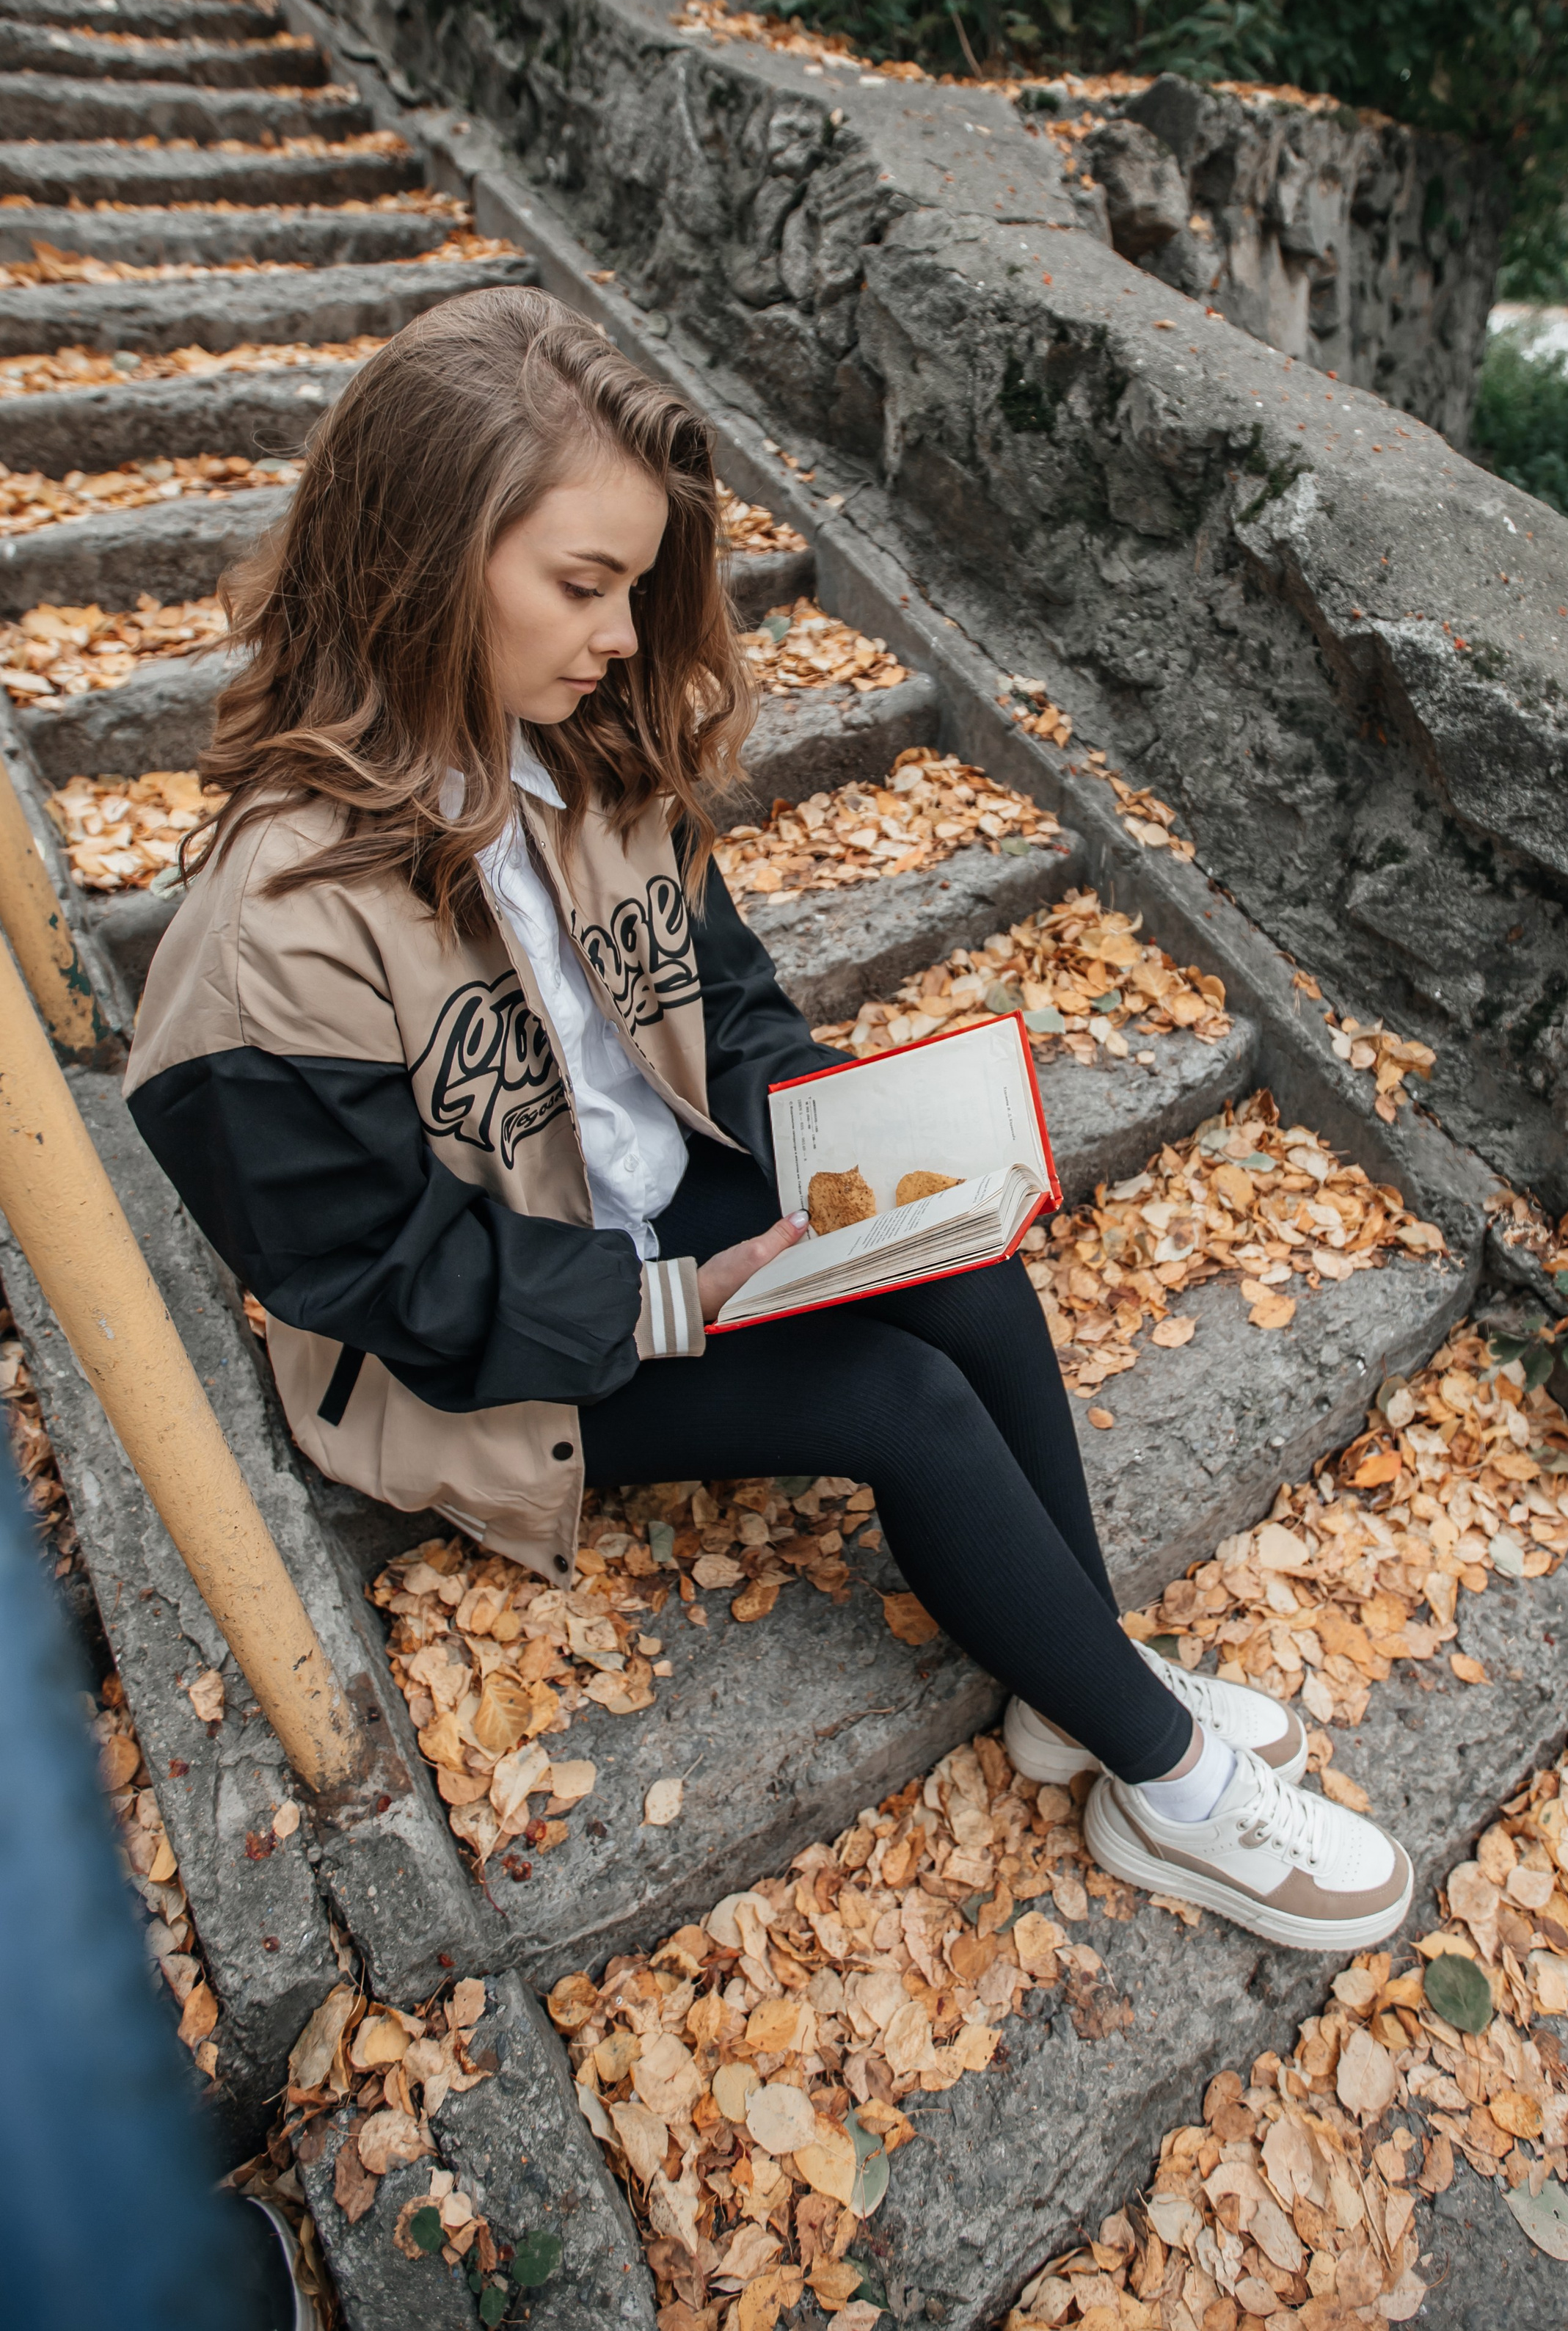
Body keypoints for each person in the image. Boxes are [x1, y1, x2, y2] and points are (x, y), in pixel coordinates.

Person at [123, 287, 1412, 1946]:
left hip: (666, 1205)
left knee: (969, 1278)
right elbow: (379, 1283)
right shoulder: (265, 938)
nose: (615, 636)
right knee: (898, 1403)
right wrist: (671, 1302)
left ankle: (1066, 1673)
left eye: (634, 590)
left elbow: (724, 1006)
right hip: (497, 1344)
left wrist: (847, 1145)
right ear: (421, 556)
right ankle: (1166, 1786)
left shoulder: (575, 751)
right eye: (582, 586)